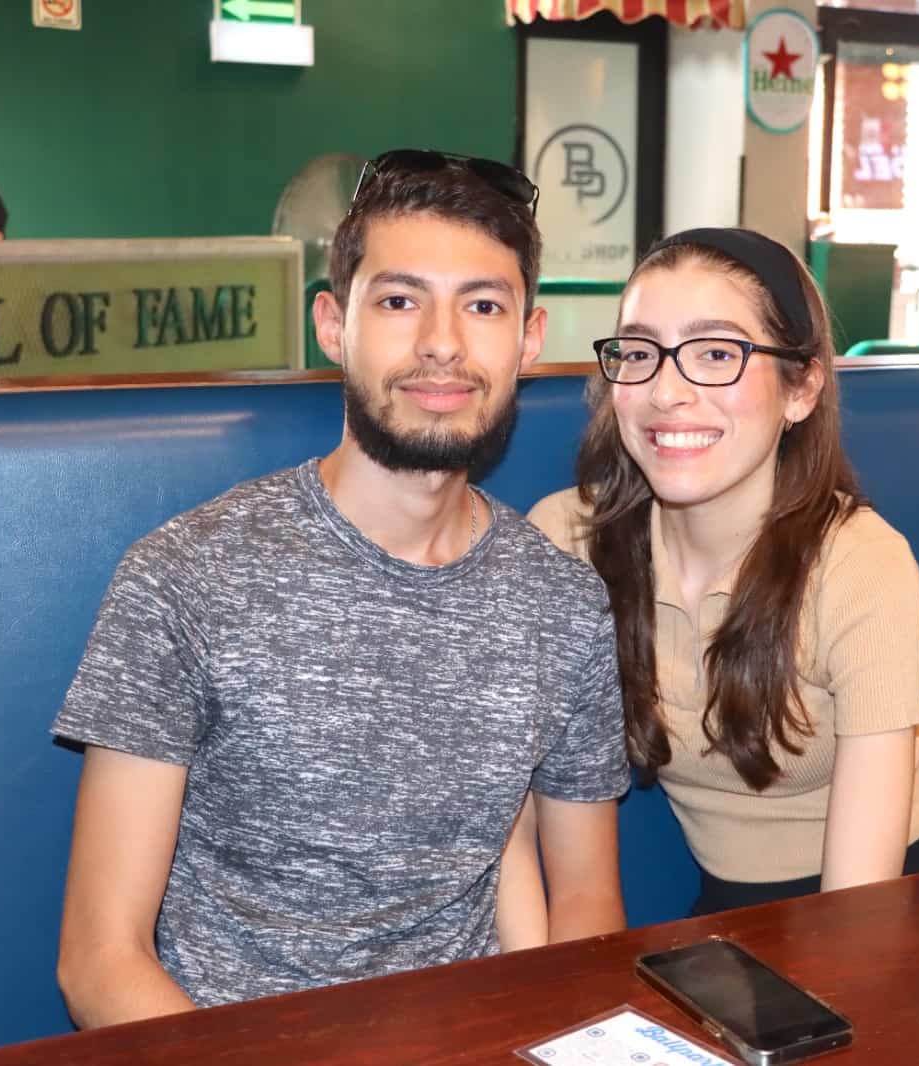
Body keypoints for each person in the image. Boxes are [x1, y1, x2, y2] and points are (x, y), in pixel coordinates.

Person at [51, 149, 628, 1028]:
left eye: (482, 305)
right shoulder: (187, 579)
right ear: (333, 324)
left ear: (529, 339)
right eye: (400, 301)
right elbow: (100, 960)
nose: (443, 342)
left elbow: (585, 906)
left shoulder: (564, 606)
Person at [526, 227, 919, 916]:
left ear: (801, 390)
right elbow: (511, 814)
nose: (667, 391)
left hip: (894, 899)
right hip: (734, 910)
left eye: (715, 353)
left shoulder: (860, 562)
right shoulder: (565, 542)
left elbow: (858, 914)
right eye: (640, 352)